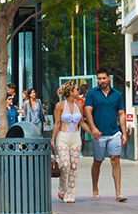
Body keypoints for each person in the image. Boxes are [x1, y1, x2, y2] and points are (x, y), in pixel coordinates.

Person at [84, 70, 129, 203]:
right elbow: (88, 111)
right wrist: (93, 129)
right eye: (99, 79)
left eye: (104, 78)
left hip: (114, 132)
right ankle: (95, 190)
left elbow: (121, 114)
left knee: (115, 160)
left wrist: (124, 133)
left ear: (109, 78)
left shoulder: (117, 95)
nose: (102, 81)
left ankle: (118, 193)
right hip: (99, 134)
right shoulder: (92, 93)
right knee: (98, 161)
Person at [51, 82, 84, 205]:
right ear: (70, 92)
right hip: (63, 137)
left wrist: (92, 131)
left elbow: (81, 123)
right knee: (65, 165)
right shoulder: (59, 106)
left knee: (74, 167)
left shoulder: (79, 106)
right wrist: (53, 139)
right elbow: (57, 123)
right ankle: (62, 187)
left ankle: (71, 194)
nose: (78, 91)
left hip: (75, 137)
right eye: (76, 89)